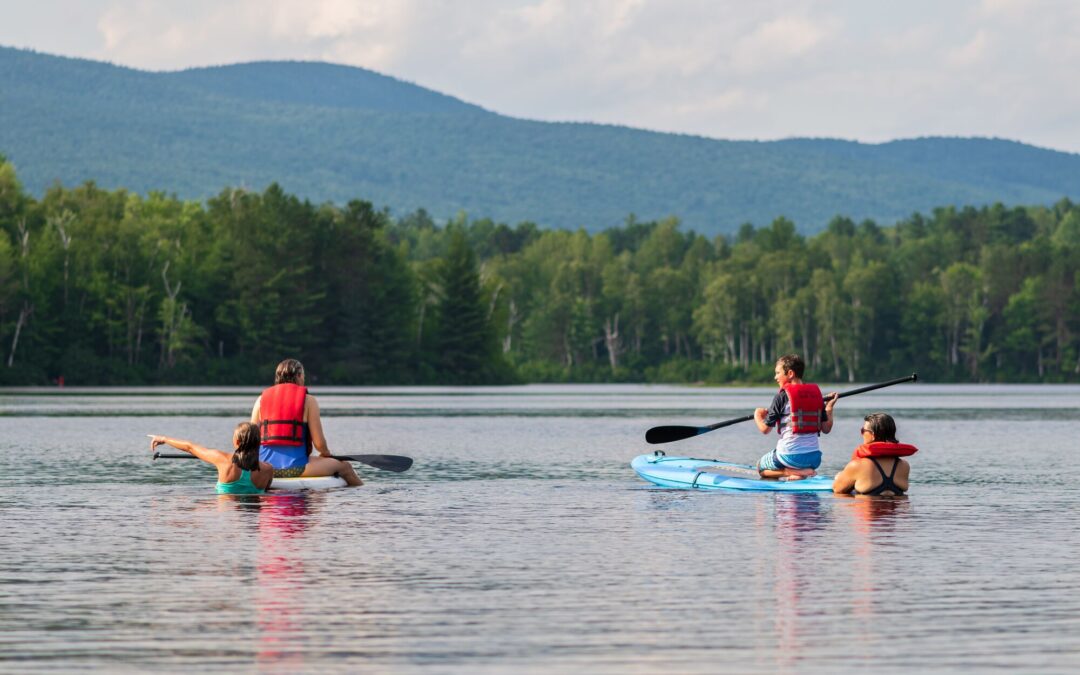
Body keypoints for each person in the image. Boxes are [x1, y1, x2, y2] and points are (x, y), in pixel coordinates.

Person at [250, 358, 362, 487]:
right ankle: (363, 497)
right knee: (346, 467)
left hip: (263, 468)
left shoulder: (260, 399)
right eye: (303, 376)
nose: (304, 380)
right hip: (295, 469)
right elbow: (319, 444)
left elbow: (250, 440)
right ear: (298, 375)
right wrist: (326, 455)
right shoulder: (309, 401)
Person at [753, 354, 837, 480]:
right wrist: (829, 408)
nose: (775, 377)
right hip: (814, 459)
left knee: (760, 467)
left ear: (790, 373)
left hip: (789, 456)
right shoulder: (815, 395)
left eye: (778, 373)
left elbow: (765, 429)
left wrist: (757, 415)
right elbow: (826, 429)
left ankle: (790, 472)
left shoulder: (781, 397)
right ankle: (801, 472)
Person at [150, 422, 274, 494]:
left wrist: (164, 439)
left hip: (223, 516)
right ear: (258, 442)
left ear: (237, 441)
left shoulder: (223, 460)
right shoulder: (268, 470)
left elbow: (190, 447)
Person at [832, 412, 917, 496]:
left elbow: (837, 489)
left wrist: (839, 477)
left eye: (863, 430)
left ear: (873, 435)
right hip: (896, 509)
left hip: (869, 508)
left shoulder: (858, 465)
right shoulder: (904, 466)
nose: (862, 434)